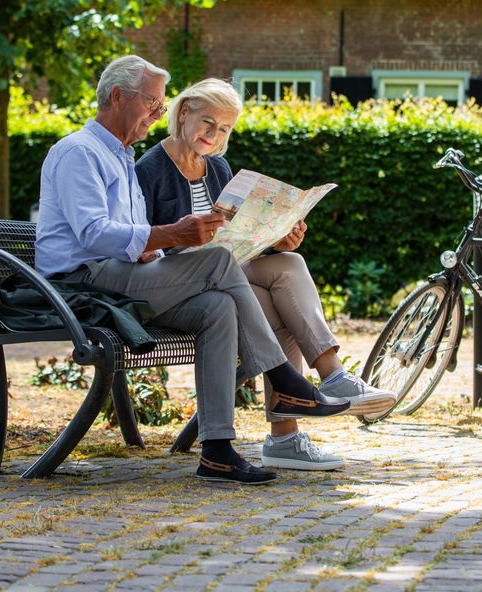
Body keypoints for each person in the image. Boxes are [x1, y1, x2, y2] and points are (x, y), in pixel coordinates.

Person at [35, 55, 351, 486]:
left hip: (123, 279)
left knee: (217, 307)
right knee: (219, 260)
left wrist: (156, 246)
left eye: (159, 105)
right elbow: (92, 234)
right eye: (151, 102)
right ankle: (285, 378)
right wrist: (170, 235)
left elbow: (132, 236)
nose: (155, 113)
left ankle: (217, 452)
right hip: (84, 285)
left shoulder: (121, 157)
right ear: (116, 96)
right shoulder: (78, 152)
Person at [136, 78, 396, 472]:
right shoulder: (150, 168)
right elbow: (143, 243)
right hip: (182, 281)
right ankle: (285, 438)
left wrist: (280, 239)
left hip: (229, 268)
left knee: (291, 264)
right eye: (207, 122)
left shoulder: (218, 167)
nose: (214, 135)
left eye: (224, 128)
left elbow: (239, 236)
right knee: (275, 310)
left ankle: (332, 376)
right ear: (183, 112)